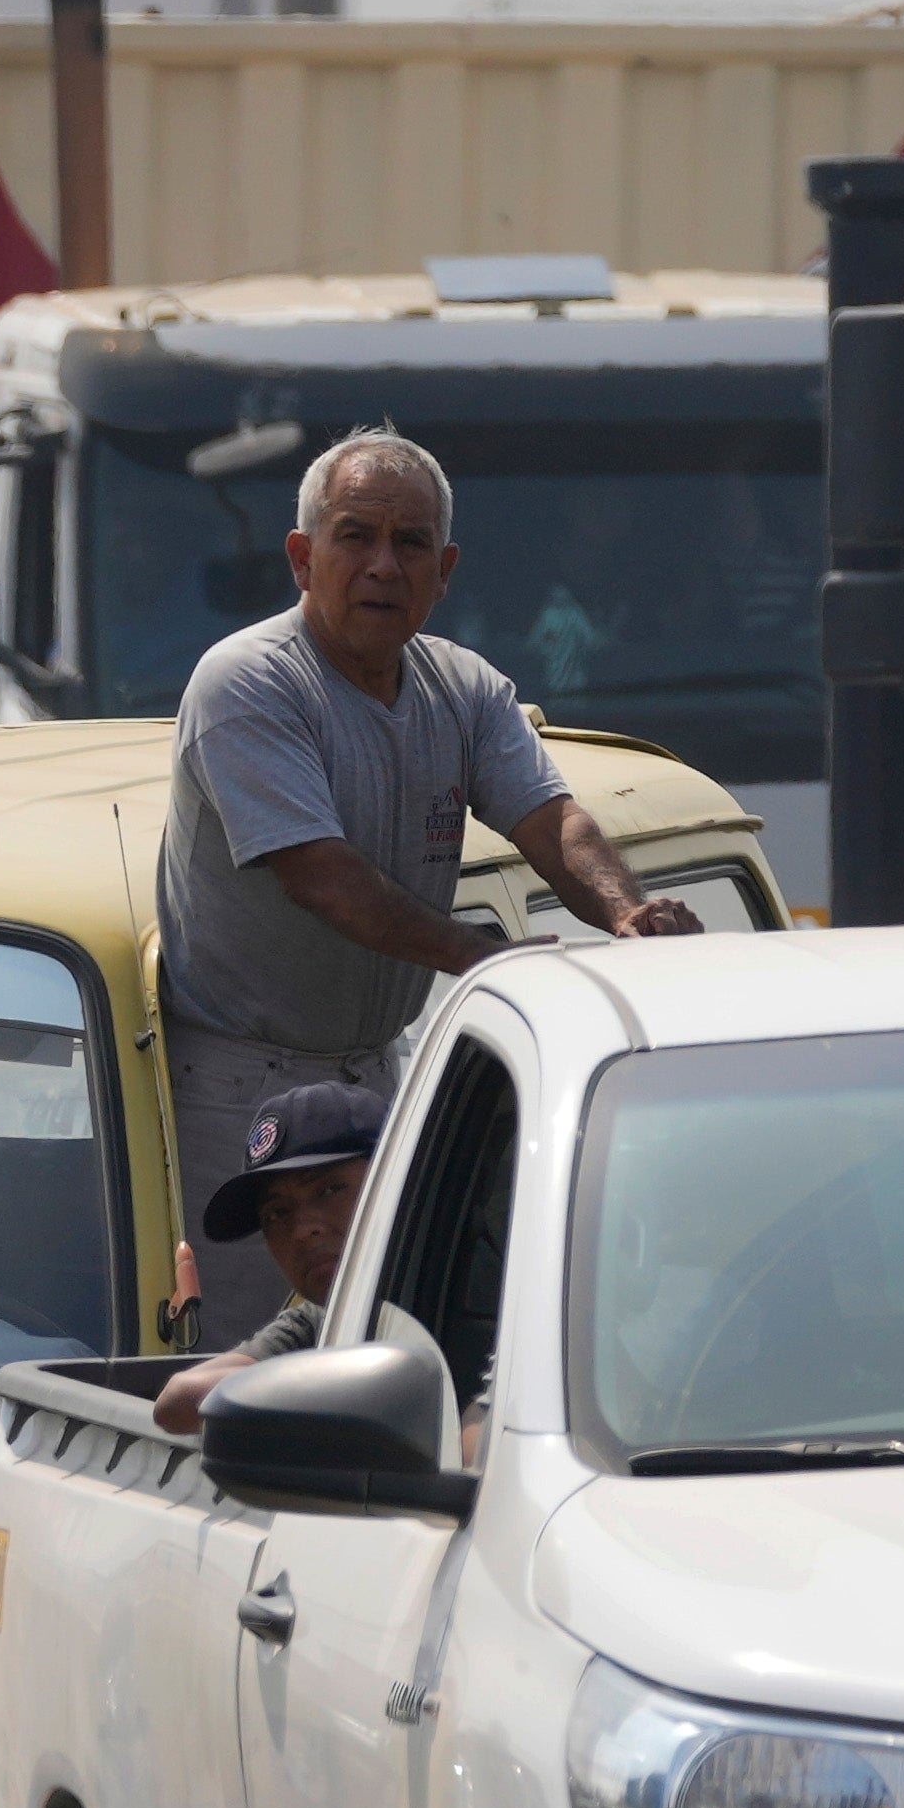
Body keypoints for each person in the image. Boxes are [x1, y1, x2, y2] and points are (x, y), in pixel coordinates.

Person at [156, 427, 688, 1340]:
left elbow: (555, 820)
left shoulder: (465, 687)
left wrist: (624, 909)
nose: (382, 565)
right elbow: (323, 879)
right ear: (301, 556)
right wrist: (496, 965)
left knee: (396, 1337)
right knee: (244, 1365)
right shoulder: (247, 681)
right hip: (236, 1082)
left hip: (375, 1069)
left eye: (409, 545)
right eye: (355, 536)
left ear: (444, 571)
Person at [154, 1079, 381, 1433]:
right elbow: (178, 1400)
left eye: (330, 1189)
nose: (303, 1229)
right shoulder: (321, 1320)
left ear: (397, 1179)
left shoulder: (470, 1295)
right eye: (277, 1213)